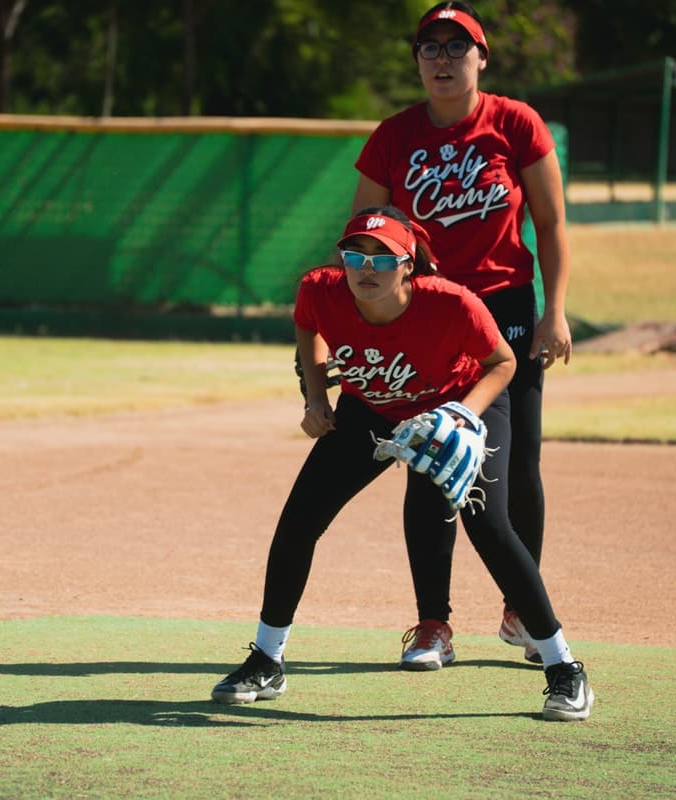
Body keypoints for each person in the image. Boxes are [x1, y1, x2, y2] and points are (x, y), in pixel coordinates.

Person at [210, 206, 593, 722]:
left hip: (456, 406)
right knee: (299, 522)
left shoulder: (452, 303)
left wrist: (462, 416)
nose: (365, 269)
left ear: (408, 265)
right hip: (372, 411)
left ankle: (564, 669)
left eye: (382, 258)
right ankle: (266, 660)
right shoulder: (321, 290)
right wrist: (315, 395)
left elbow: (502, 362)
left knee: (491, 528)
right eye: (355, 255)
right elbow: (308, 327)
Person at [349, 1, 574, 667]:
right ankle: (431, 625)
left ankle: (521, 613)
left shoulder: (516, 124)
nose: (443, 59)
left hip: (505, 306)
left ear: (482, 58)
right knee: (428, 459)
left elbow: (553, 223)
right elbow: (365, 240)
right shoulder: (393, 136)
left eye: (457, 46)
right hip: (427, 312)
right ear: (417, 61)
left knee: (516, 463)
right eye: (430, 48)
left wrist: (554, 311)